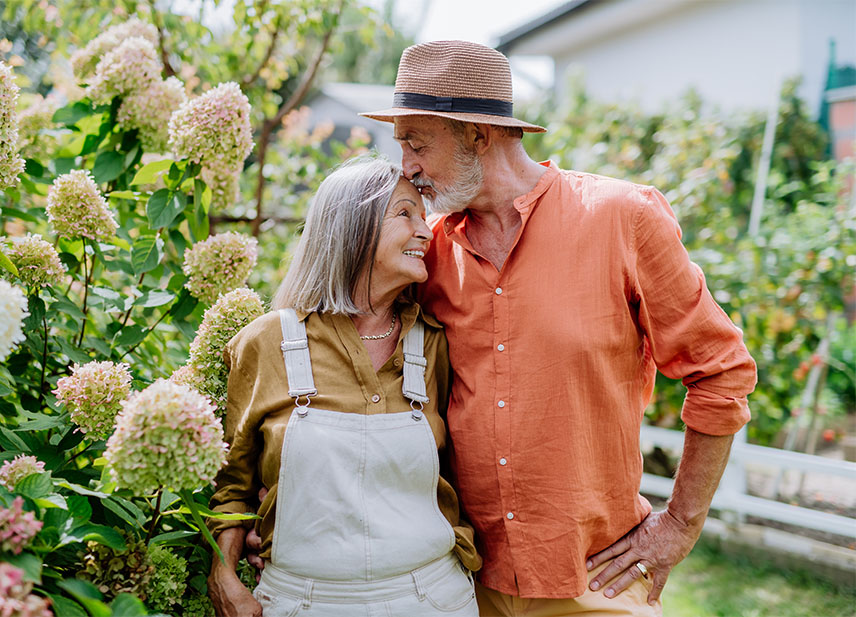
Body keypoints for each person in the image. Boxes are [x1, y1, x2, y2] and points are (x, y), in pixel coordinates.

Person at [356, 40, 758, 616]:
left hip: (599, 579)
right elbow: (362, 367)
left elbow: (722, 373)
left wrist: (680, 525)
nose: (407, 167)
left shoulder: (622, 218)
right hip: (459, 582)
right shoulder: (429, 252)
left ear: (478, 134)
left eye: (417, 142)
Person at [206, 155, 482, 617]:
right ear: (352, 227)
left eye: (424, 214)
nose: (427, 231)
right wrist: (224, 575)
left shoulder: (433, 342)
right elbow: (233, 483)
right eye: (405, 213)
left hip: (433, 598)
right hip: (301, 602)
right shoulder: (268, 342)